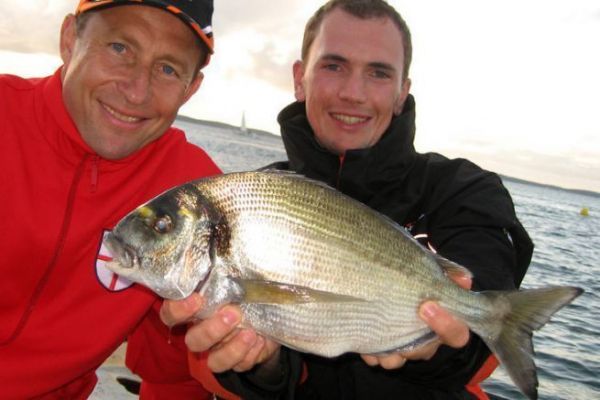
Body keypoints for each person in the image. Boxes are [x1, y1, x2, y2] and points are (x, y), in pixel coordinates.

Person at [159, 0, 534, 399]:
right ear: (300, 78)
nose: (353, 93)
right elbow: (266, 368)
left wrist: (440, 344)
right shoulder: (258, 200)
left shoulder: (463, 189)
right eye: (333, 66)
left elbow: (483, 300)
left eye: (378, 73)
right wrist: (261, 365)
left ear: (401, 93)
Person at [0, 0, 221, 398]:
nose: (137, 92)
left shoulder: (193, 193)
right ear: (70, 39)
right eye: (120, 48)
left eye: (168, 69)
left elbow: (176, 369)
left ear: (191, 89)